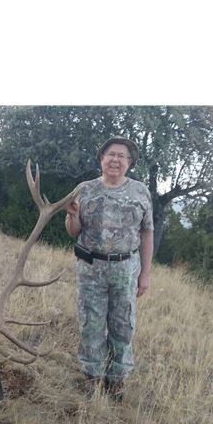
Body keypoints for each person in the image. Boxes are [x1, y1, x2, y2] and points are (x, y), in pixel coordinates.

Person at [65, 137, 154, 400]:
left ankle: (116, 380)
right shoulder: (84, 189)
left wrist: (145, 274)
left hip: (125, 270)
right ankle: (92, 377)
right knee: (90, 325)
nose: (115, 160)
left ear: (130, 163)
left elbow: (147, 232)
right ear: (101, 158)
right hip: (90, 269)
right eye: (110, 154)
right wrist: (72, 215)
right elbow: (73, 231)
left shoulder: (140, 192)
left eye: (122, 156)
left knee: (123, 327)